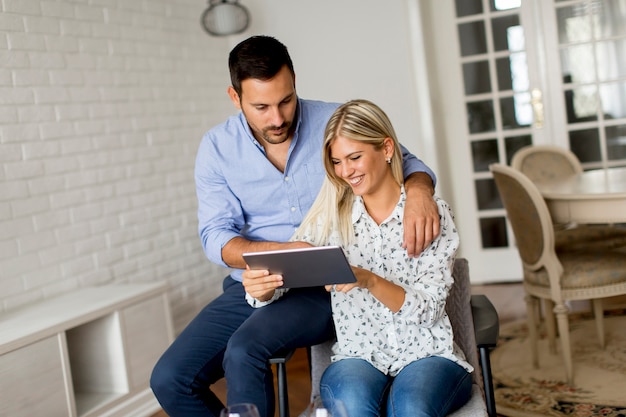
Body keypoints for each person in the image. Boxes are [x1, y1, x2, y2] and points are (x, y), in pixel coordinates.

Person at [150, 35, 440, 417]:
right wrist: (277, 255)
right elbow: (216, 237)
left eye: (285, 100)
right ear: (235, 97)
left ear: (295, 81)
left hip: (329, 284)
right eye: (261, 106)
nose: (277, 118)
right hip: (255, 284)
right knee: (170, 379)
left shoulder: (333, 121)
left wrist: (420, 191)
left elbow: (403, 160)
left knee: (244, 349)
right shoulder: (217, 148)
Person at [246, 99, 473, 417]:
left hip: (429, 354)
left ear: (387, 148)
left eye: (354, 157)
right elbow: (284, 271)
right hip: (358, 356)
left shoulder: (430, 215)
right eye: (337, 162)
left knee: (410, 409)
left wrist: (369, 280)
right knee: (352, 408)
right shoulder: (329, 219)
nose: (346, 171)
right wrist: (262, 287)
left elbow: (428, 310)